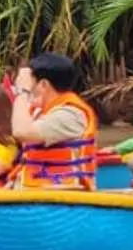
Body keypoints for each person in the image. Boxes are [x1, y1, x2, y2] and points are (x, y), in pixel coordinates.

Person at [9, 52, 98, 189]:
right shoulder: (40, 111)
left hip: (60, 198)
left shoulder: (70, 115)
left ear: (43, 84)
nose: (30, 88)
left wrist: (23, 91)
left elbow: (22, 131)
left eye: (31, 83)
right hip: (34, 193)